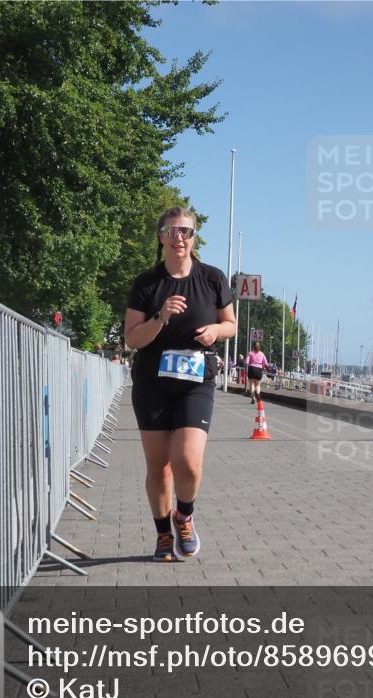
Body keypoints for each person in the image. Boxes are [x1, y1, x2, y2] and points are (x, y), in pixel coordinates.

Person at [124, 206, 236, 562]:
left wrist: (217, 330)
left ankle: (183, 516)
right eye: (171, 231)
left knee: (187, 461)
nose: (179, 237)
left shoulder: (213, 278)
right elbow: (132, 338)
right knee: (159, 467)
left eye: (185, 231)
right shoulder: (147, 283)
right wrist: (161, 316)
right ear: (160, 236)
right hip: (152, 381)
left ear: (194, 237)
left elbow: (231, 324)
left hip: (195, 380)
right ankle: (161, 535)